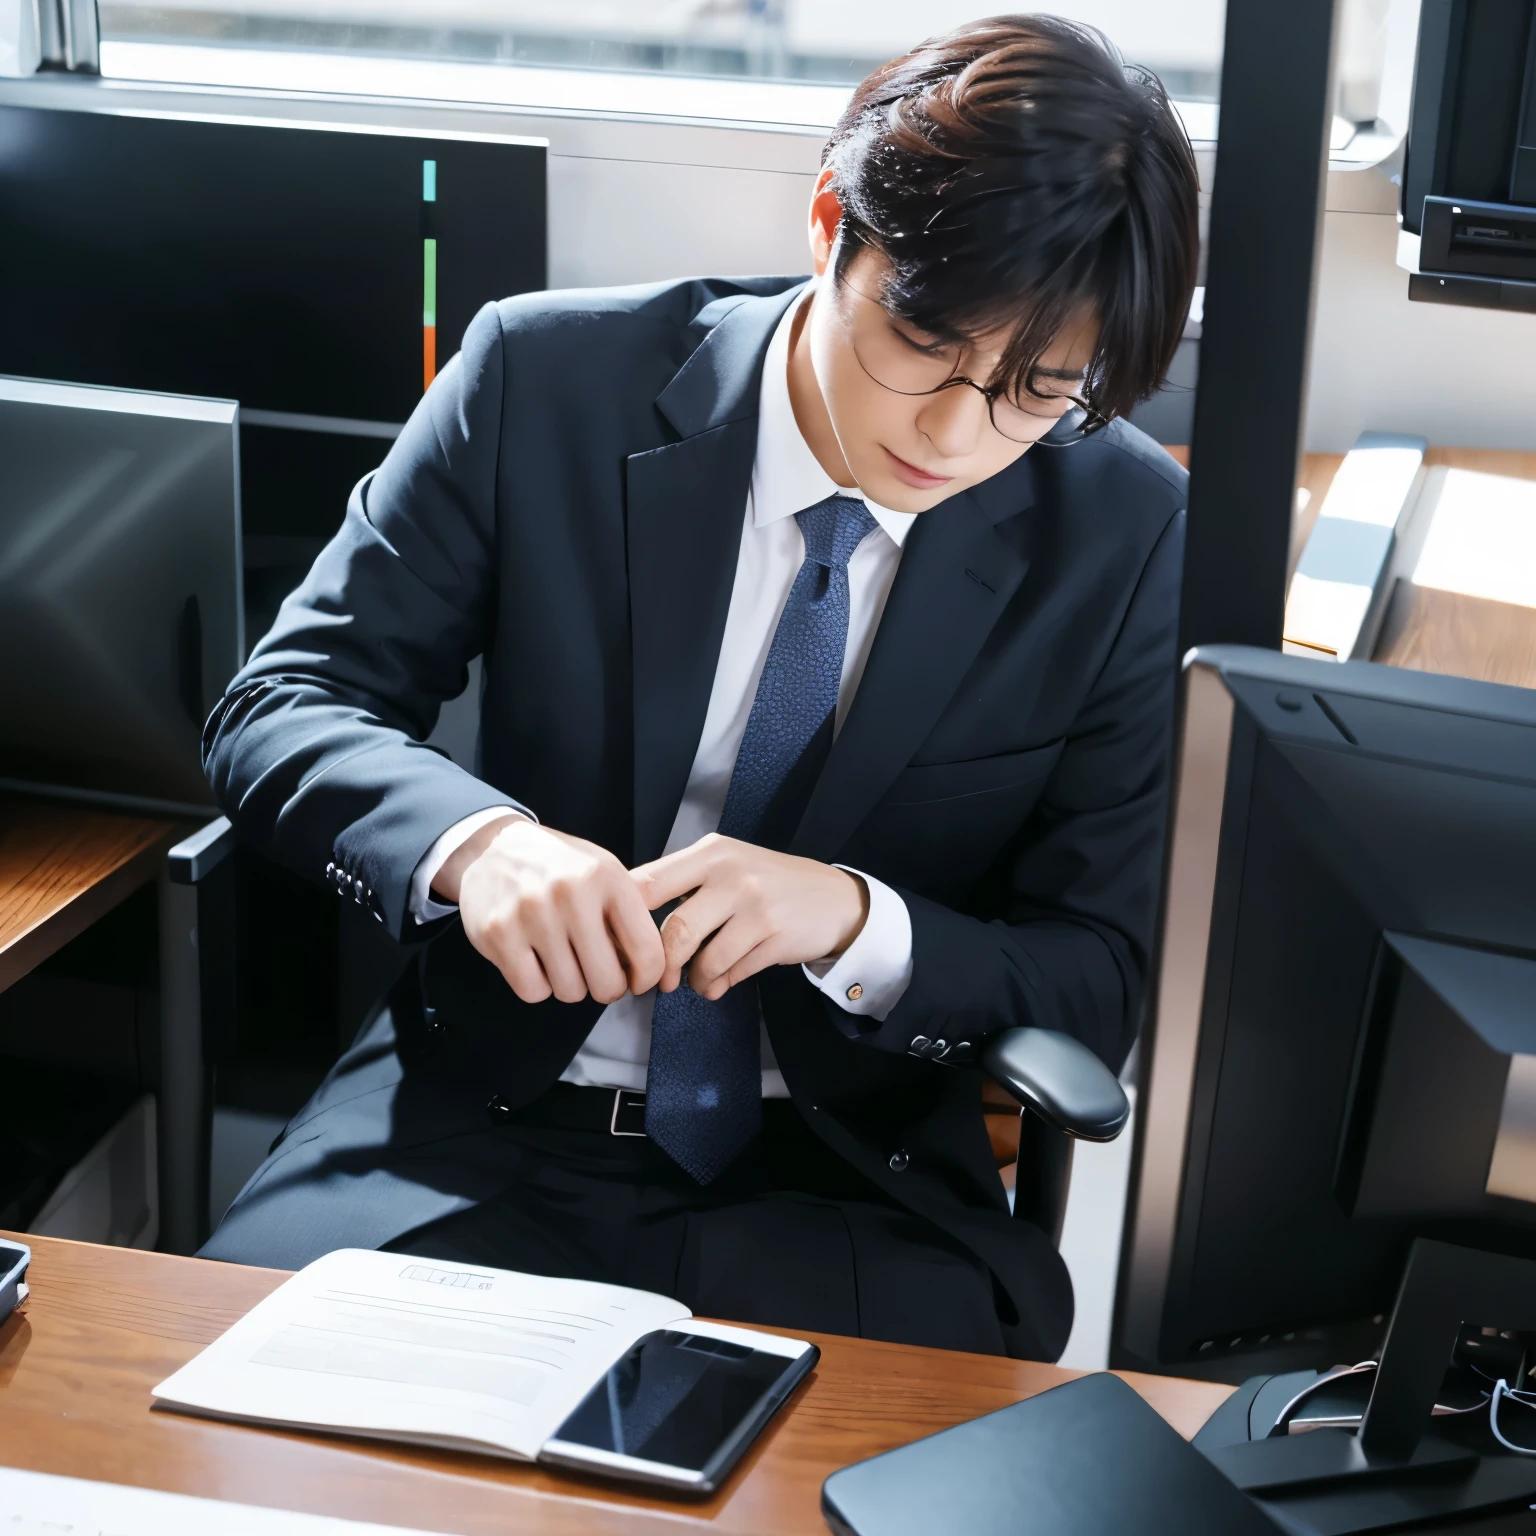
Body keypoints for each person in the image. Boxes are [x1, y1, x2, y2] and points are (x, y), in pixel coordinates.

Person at [200, 13, 1199, 1362]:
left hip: (847, 1185)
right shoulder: (543, 381)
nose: (956, 435)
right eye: (928, 349)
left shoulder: (1121, 530)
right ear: (831, 221)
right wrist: (476, 848)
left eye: (1037, 393)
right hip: (480, 1130)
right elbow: (284, 707)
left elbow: (1098, 979)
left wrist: (857, 924)